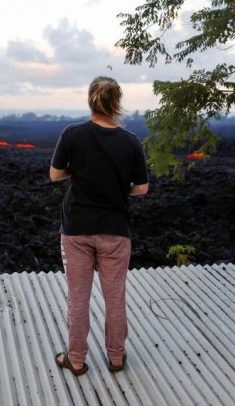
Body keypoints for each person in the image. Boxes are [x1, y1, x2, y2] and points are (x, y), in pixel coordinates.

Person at [50, 76, 149, 375]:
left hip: (77, 229)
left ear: (90, 100)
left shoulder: (72, 134)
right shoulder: (130, 141)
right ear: (117, 103)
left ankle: (76, 359)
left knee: (78, 298)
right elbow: (142, 188)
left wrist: (77, 172)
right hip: (115, 231)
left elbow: (55, 175)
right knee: (115, 297)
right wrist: (120, 189)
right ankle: (116, 358)